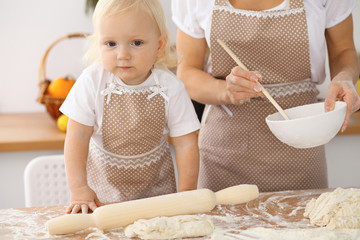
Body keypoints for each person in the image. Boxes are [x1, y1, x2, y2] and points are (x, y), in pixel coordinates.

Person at [171, 0, 360, 193]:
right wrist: (226, 91)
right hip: (225, 152)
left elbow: (344, 51)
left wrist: (345, 77)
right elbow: (186, 72)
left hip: (302, 145)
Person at [60, 0, 200, 214]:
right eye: (111, 44)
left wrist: (187, 193)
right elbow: (77, 136)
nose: (122, 54)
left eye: (136, 43)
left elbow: (186, 144)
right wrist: (79, 188)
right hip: (102, 201)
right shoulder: (92, 82)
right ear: (98, 43)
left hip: (158, 200)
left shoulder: (170, 87)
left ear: (160, 46)